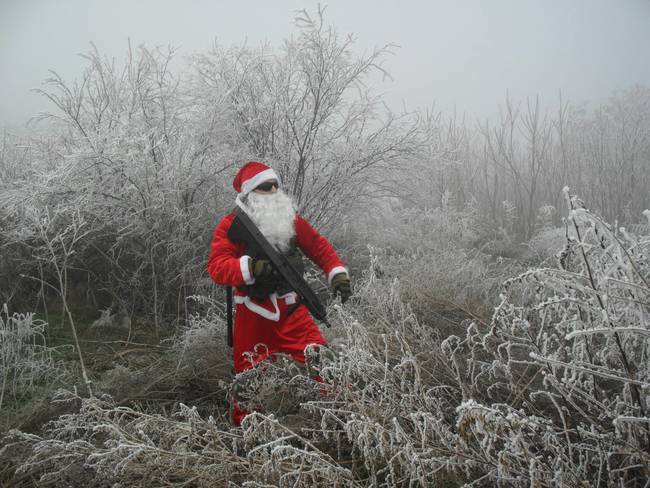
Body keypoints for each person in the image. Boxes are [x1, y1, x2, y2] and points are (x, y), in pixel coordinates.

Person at [207, 161, 351, 424]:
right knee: (248, 380)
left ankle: (341, 419)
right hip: (252, 315)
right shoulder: (231, 225)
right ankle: (248, 434)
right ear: (250, 192)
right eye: (265, 187)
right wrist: (250, 267)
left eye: (275, 185)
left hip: (292, 311)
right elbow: (217, 266)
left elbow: (319, 247)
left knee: (321, 362)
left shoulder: (291, 219)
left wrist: (337, 274)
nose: (273, 190)